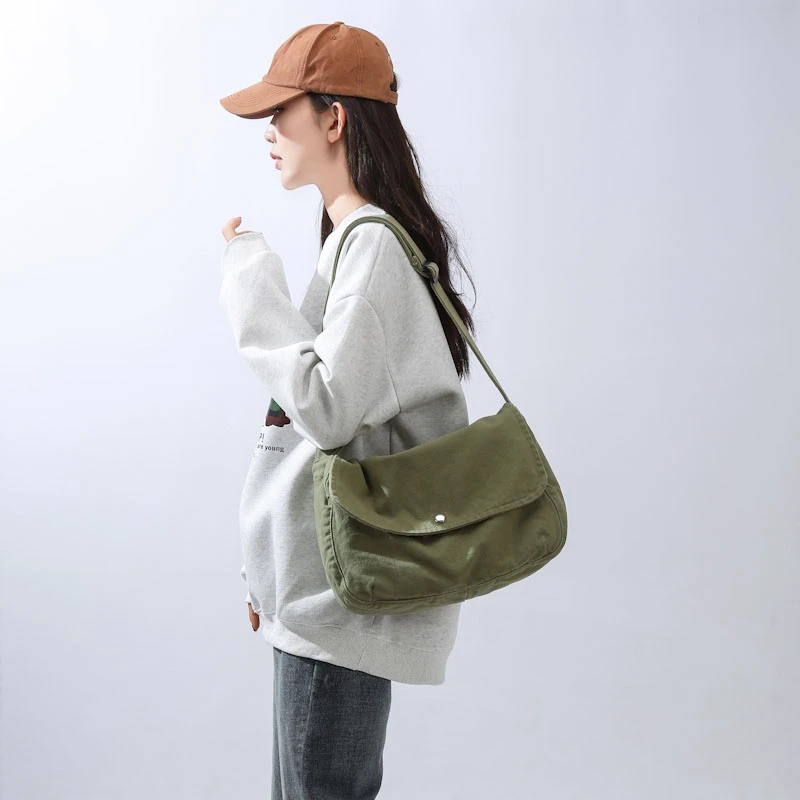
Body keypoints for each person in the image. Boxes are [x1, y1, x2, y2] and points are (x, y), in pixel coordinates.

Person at [218, 20, 477, 800]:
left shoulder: (373, 248)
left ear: (334, 119)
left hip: (340, 613)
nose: (269, 129)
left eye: (282, 109)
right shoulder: (355, 242)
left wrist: (250, 279)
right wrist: (269, 573)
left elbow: (325, 410)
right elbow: (312, 440)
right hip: (323, 604)